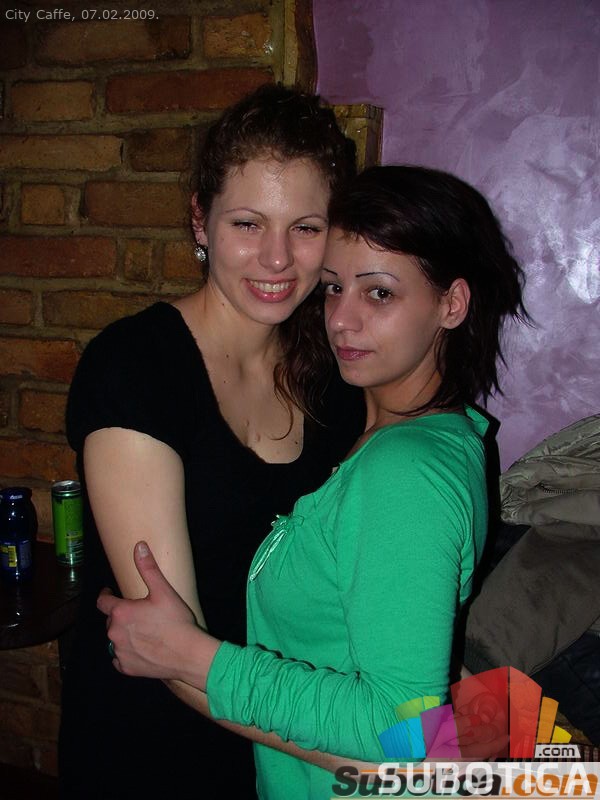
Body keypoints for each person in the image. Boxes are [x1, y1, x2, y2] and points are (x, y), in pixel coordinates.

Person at [98, 165, 527, 799]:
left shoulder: (405, 471)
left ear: (451, 304)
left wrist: (193, 659)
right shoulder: (424, 432)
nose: (342, 320)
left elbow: (397, 730)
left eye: (378, 293)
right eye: (333, 287)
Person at [58, 83, 364, 800]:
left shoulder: (334, 376)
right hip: (154, 749)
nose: (278, 259)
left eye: (306, 227)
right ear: (201, 219)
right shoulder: (136, 367)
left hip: (283, 751)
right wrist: (381, 752)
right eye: (248, 223)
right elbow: (170, 651)